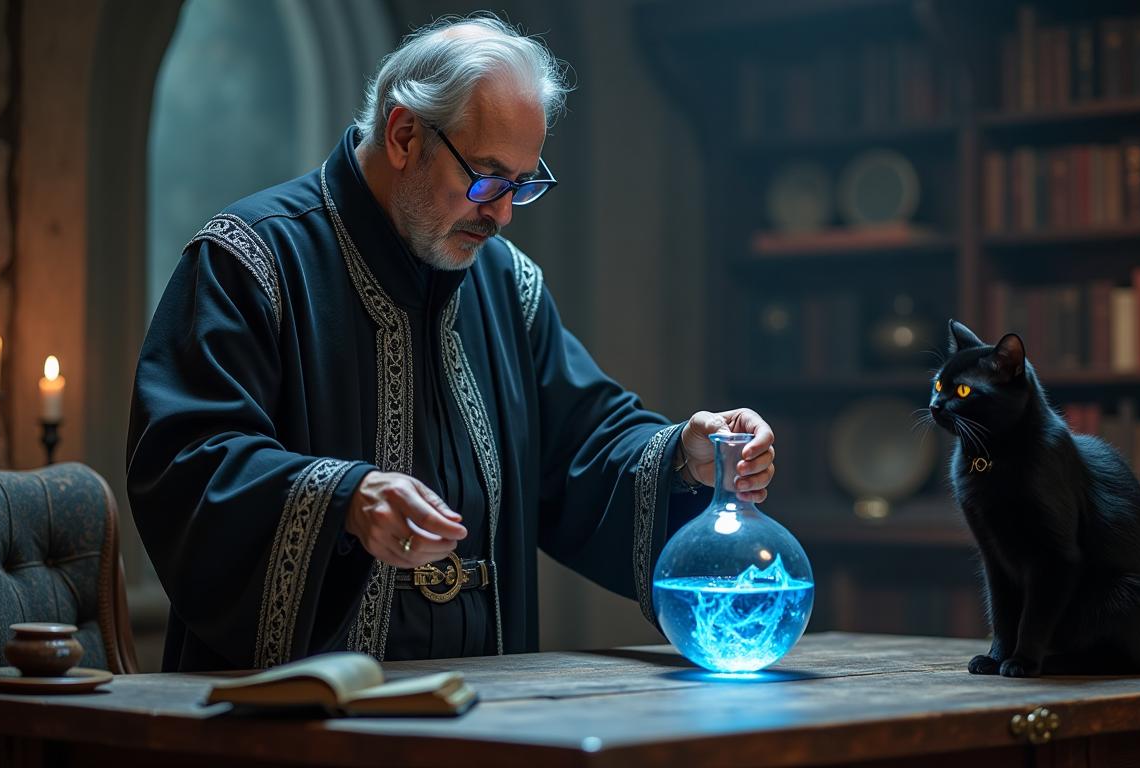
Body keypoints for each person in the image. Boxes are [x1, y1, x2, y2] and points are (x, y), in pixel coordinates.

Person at [126, 13, 776, 672]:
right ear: (404, 135)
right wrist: (344, 500)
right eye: (487, 179)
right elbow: (187, 464)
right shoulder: (250, 260)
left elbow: (583, 444)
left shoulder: (508, 284)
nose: (502, 214)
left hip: (484, 699)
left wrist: (685, 456)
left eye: (523, 185)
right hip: (298, 706)